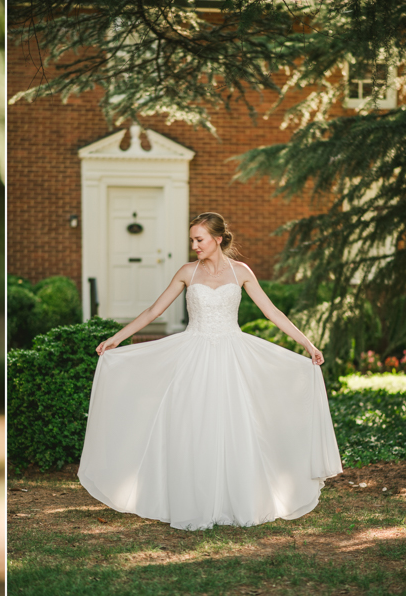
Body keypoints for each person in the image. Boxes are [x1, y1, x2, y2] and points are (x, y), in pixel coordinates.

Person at [77, 212, 342, 531]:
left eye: (199, 239)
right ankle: (194, 501)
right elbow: (153, 310)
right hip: (194, 356)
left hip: (233, 355)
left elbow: (272, 312)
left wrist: (308, 344)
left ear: (218, 239)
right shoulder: (187, 272)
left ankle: (236, 500)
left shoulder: (241, 272)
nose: (194, 246)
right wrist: (116, 339)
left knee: (235, 424)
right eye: (191, 240)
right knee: (193, 424)